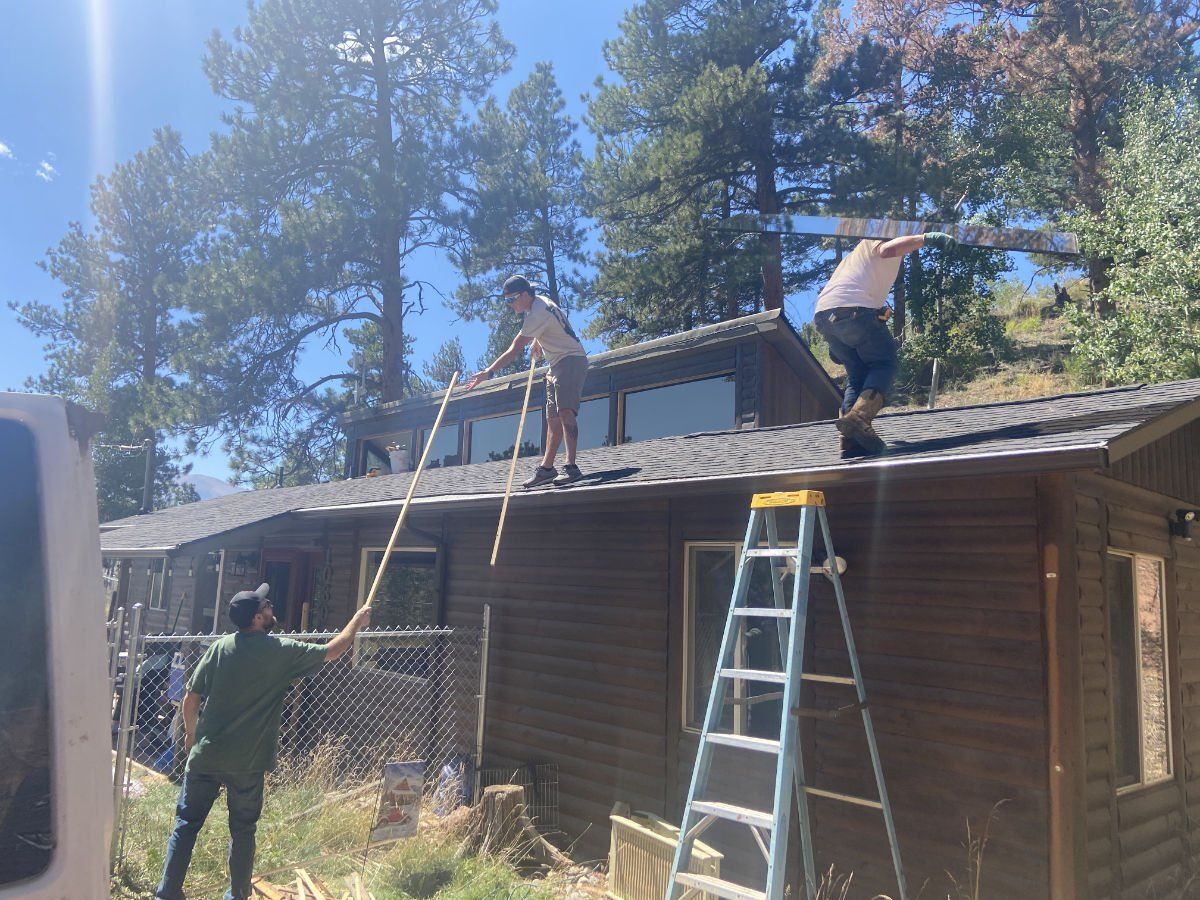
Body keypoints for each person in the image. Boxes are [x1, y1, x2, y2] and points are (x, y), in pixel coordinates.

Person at [154, 584, 372, 900]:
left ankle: (167, 892)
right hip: (247, 762)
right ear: (257, 618)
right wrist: (356, 621)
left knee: (186, 826)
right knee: (243, 832)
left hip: (207, 754)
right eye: (267, 606)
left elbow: (190, 698)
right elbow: (334, 650)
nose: (272, 608)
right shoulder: (279, 651)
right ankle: (237, 896)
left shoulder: (220, 648)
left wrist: (190, 736)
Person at [814, 231, 957, 457]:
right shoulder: (878, 240)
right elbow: (888, 249)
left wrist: (840, 335)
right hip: (853, 310)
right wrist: (927, 238)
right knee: (885, 363)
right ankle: (859, 418)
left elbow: (843, 296)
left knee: (858, 375)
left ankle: (849, 439)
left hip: (825, 317)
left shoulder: (854, 258)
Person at [464, 275, 589, 488]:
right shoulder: (539, 304)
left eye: (511, 299)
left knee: (565, 412)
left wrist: (489, 372)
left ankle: (571, 467)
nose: (509, 305)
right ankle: (547, 469)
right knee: (553, 419)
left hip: (569, 360)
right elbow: (555, 324)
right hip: (556, 363)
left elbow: (515, 349)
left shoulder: (536, 312)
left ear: (524, 294)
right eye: (506, 301)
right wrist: (539, 340)